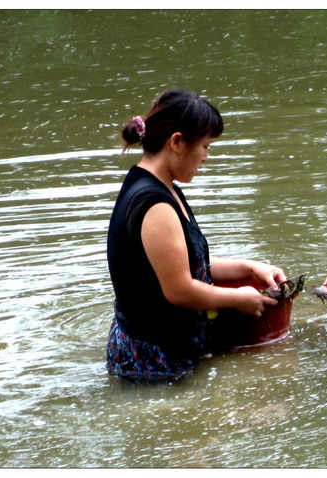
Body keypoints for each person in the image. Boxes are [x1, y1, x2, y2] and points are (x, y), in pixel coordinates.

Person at [106, 88, 286, 383]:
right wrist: (238, 298)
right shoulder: (154, 204)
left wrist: (248, 267)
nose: (206, 156)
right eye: (205, 146)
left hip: (167, 348)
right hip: (154, 360)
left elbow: (188, 265)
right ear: (177, 142)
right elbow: (180, 290)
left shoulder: (164, 188)